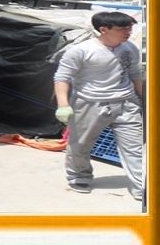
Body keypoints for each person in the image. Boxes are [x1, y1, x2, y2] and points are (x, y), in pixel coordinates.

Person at [54, 11, 143, 200]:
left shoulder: (130, 48)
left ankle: (141, 186)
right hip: (90, 104)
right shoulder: (80, 51)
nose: (128, 32)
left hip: (126, 103)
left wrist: (145, 98)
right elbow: (62, 77)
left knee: (134, 148)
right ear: (104, 29)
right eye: (123, 28)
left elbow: (135, 74)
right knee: (80, 144)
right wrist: (63, 105)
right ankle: (79, 176)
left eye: (130, 28)